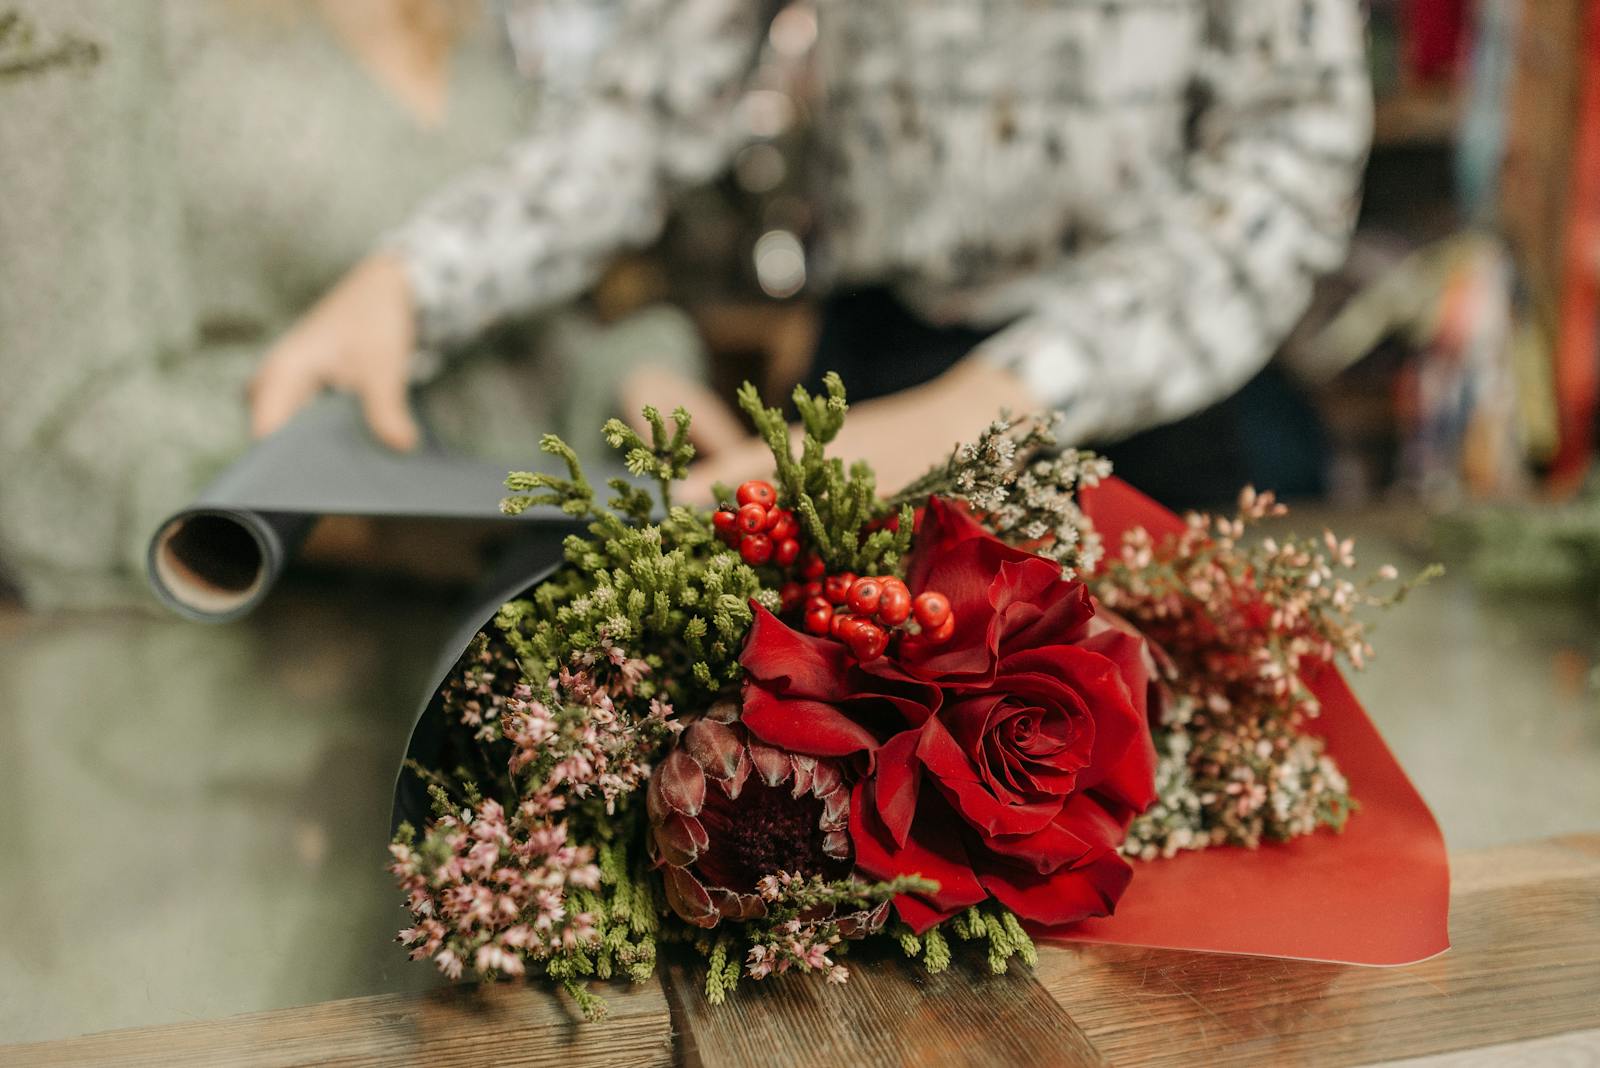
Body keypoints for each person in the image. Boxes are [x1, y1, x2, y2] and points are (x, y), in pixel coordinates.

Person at [254, 0, 1373, 507]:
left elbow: (1291, 148)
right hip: (869, 372)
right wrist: (417, 280)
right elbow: (642, 112)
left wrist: (990, 405)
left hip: (1143, 393)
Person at [0, 0, 706, 607]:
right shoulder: (109, 18)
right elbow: (49, 428)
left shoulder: (476, 21)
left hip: (521, 606)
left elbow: (493, 311)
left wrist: (616, 378)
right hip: (252, 640)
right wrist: (348, 517)